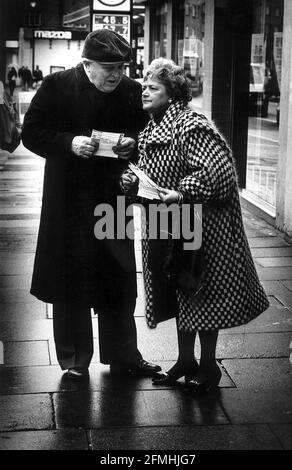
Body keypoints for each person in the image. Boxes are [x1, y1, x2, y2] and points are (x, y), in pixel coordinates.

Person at [121, 58, 269, 393]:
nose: (144, 90)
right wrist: (134, 183)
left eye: (152, 87)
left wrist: (181, 192)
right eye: (144, 85)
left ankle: (208, 365)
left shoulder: (190, 124)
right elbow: (151, 174)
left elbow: (218, 173)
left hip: (201, 226)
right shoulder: (152, 128)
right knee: (179, 291)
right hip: (169, 223)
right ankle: (186, 360)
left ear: (171, 94)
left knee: (201, 292)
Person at [21, 30, 161, 380]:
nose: (115, 74)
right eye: (107, 67)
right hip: (67, 201)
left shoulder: (131, 91)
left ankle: (124, 355)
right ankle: (74, 361)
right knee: (70, 280)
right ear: (86, 64)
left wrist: (133, 142)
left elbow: (147, 131)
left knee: (119, 277)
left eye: (121, 67)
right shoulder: (57, 86)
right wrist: (70, 143)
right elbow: (31, 132)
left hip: (112, 200)